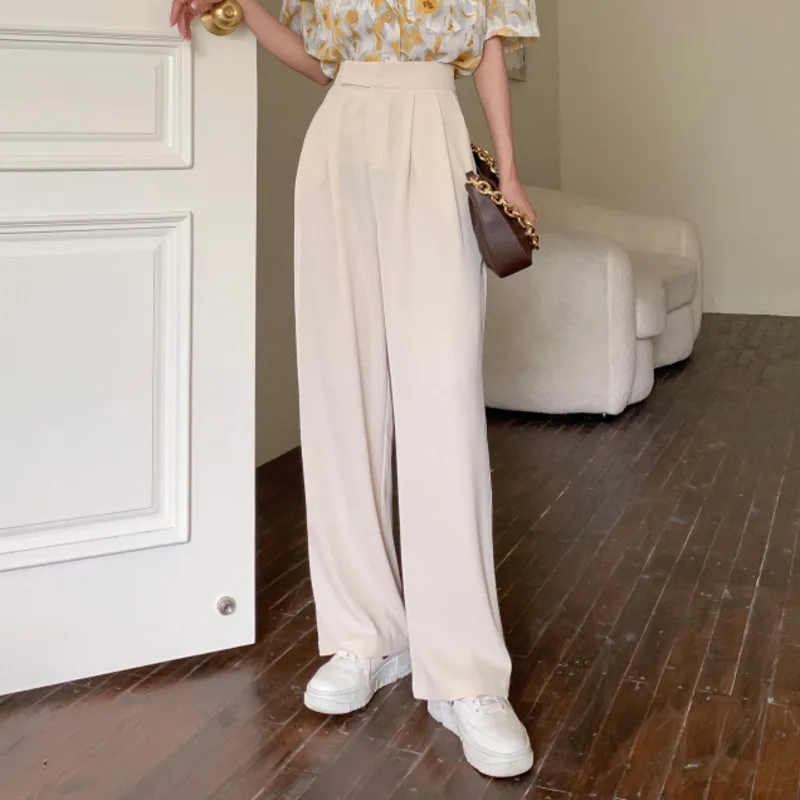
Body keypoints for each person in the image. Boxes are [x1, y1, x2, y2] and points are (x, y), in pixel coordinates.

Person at [170, 0, 539, 778]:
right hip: (339, 142)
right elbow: (319, 60)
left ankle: (466, 674)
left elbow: (488, 44)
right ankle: (366, 635)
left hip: (433, 133)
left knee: (441, 400)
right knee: (340, 393)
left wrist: (507, 171)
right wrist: (242, 6)